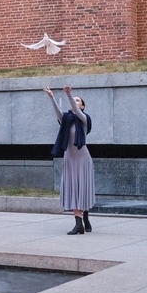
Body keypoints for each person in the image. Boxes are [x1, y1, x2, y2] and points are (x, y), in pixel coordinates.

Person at [43, 85, 95, 235]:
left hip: (83, 160)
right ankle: (78, 224)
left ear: (83, 106)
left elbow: (76, 111)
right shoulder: (66, 120)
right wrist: (52, 97)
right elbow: (58, 113)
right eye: (75, 100)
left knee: (83, 191)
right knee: (73, 190)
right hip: (70, 159)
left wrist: (69, 95)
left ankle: (85, 216)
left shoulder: (85, 119)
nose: (75, 102)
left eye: (78, 100)